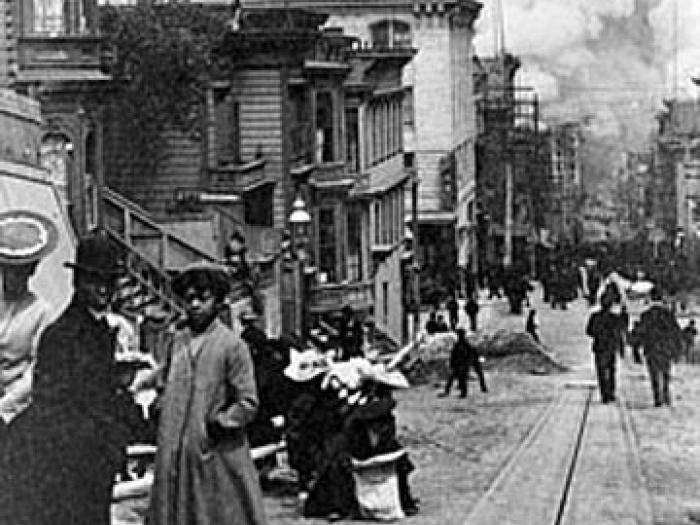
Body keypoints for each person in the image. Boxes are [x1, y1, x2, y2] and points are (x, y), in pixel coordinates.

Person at [7, 232, 130, 525]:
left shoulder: (102, 331)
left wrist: (112, 443)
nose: (104, 290)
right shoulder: (60, 335)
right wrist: (94, 444)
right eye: (95, 281)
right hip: (67, 461)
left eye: (110, 282)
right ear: (77, 282)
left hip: (96, 458)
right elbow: (50, 405)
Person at [148, 261, 268, 525]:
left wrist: (220, 423)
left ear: (217, 302)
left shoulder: (232, 346)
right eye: (189, 298)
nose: (195, 305)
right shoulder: (176, 342)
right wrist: (160, 405)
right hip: (175, 453)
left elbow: (248, 402)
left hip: (214, 455)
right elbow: (163, 383)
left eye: (203, 298)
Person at [0, 211, 57, 520]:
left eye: (19, 272)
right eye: (7, 271)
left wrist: (5, 405)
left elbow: (37, 370)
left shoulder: (41, 311)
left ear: (32, 271)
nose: (12, 278)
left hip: (16, 414)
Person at [637, 288, 683, 407]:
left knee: (654, 373)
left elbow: (640, 332)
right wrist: (677, 349)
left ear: (651, 298)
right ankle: (666, 395)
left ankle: (658, 397)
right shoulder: (668, 315)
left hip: (651, 348)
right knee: (666, 372)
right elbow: (676, 332)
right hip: (666, 348)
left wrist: (638, 346)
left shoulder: (646, 315)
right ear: (662, 298)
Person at [585, 294, 621, 403]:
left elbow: (589, 331)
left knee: (601, 370)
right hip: (611, 347)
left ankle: (604, 394)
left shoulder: (595, 316)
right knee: (611, 369)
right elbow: (619, 332)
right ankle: (611, 392)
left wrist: (598, 334)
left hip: (599, 346)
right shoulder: (614, 318)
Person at [439, 328, 487, 398]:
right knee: (457, 377)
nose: (458, 336)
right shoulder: (461, 344)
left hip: (467, 362)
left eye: (459, 335)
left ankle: (459, 392)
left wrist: (465, 364)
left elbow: (468, 355)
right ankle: (481, 388)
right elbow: (454, 355)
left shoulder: (463, 344)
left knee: (458, 377)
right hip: (465, 363)